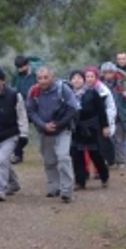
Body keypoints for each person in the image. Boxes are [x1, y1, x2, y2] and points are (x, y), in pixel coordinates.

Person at [25, 66, 80, 203]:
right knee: (49, 160)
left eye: (46, 77)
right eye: (39, 78)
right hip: (44, 130)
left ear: (52, 78)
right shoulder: (33, 91)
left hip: (63, 129)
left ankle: (66, 190)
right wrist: (43, 125)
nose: (42, 81)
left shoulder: (63, 89)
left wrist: (58, 124)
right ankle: (54, 187)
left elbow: (73, 108)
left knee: (63, 157)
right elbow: (31, 111)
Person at [0, 66, 25, 201]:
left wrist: (23, 135)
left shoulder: (13, 95)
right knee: (2, 162)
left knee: (2, 161)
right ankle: (13, 183)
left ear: (2, 81)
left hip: (10, 134)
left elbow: (22, 115)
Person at [69, 70, 110, 190]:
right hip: (76, 128)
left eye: (79, 78)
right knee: (77, 155)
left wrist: (105, 126)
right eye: (74, 78)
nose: (76, 80)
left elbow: (101, 110)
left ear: (84, 80)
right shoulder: (69, 94)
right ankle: (80, 181)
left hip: (91, 127)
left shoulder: (92, 93)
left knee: (95, 154)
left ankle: (104, 176)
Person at [100, 61, 126, 172]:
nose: (108, 75)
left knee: (119, 139)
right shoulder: (99, 85)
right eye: (105, 72)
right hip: (104, 116)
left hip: (119, 115)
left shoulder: (122, 83)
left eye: (110, 72)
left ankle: (121, 161)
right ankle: (106, 160)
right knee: (105, 140)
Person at [10, 55, 39, 164]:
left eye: (22, 67)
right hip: (20, 107)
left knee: (41, 128)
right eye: (18, 67)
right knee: (20, 132)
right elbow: (13, 89)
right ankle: (18, 154)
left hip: (35, 107)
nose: (20, 69)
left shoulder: (35, 75)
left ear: (27, 65)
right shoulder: (16, 76)